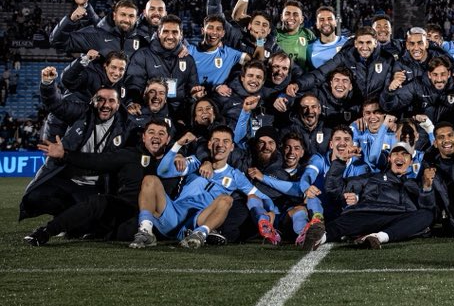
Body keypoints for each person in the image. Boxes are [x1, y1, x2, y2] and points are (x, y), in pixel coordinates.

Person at [24, 120, 174, 246]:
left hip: (153, 217)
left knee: (126, 231)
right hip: (123, 208)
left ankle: (96, 231)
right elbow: (96, 161)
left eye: (161, 133)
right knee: (98, 201)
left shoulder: (176, 162)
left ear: (168, 139)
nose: (156, 136)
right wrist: (65, 155)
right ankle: (47, 231)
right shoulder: (128, 155)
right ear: (143, 137)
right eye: (151, 132)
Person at [131, 126, 272, 249]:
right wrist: (178, 145)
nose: (220, 145)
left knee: (226, 199)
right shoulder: (195, 163)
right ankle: (146, 232)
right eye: (216, 140)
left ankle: (199, 235)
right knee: (150, 179)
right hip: (173, 214)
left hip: (198, 220)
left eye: (226, 141)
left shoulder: (236, 176)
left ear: (232, 147)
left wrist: (271, 212)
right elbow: (163, 171)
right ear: (209, 144)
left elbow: (262, 196)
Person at [21, 81, 130, 221]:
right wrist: (47, 85)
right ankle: (64, 215)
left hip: (97, 186)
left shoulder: (125, 128)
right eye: (100, 99)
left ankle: (74, 220)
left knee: (94, 220)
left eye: (111, 101)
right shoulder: (80, 113)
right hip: (69, 181)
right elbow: (56, 104)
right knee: (34, 197)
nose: (106, 105)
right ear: (92, 101)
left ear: (119, 104)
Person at [322, 141, 435, 249]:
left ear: (411, 162)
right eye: (395, 154)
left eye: (405, 154)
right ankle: (319, 237)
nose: (400, 157)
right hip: (369, 215)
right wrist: (341, 161)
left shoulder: (414, 185)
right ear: (389, 158)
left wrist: (427, 187)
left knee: (426, 215)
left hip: (396, 220)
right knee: (347, 220)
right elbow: (333, 188)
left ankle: (377, 237)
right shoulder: (371, 178)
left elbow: (427, 209)